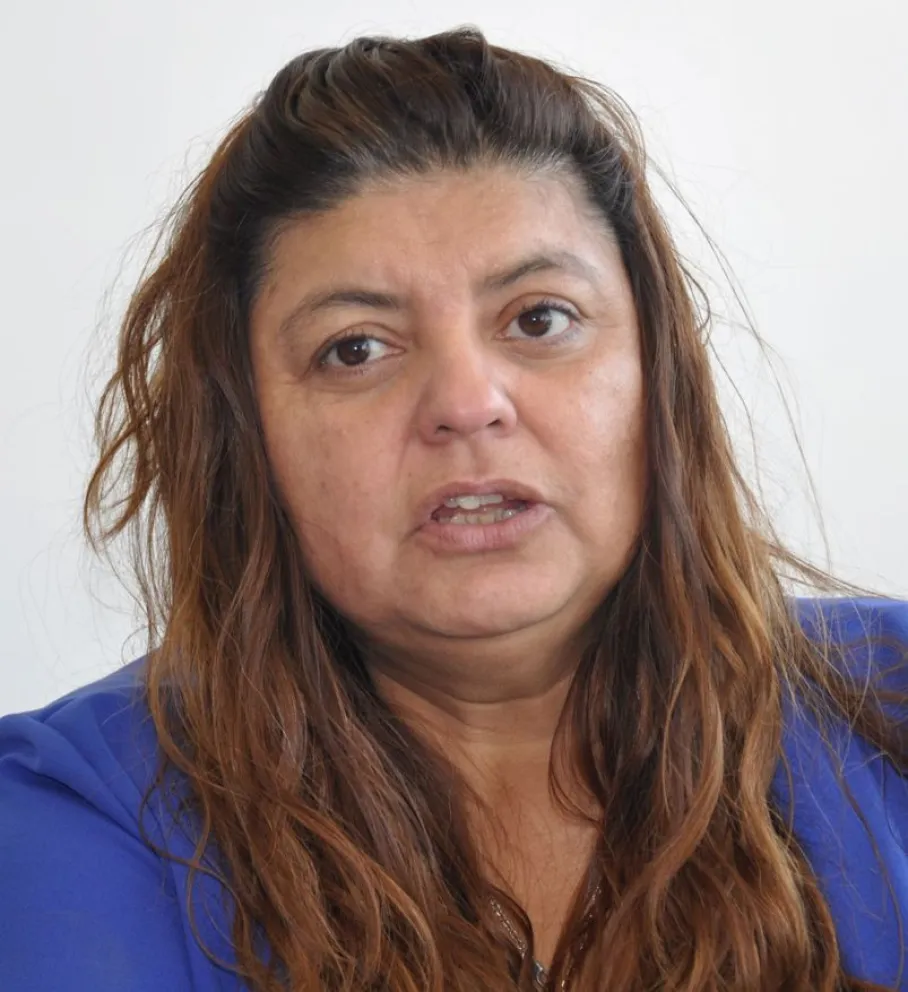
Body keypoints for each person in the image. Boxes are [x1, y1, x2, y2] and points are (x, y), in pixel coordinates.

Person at [0, 25, 906, 992]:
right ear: (244, 433)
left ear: (660, 374)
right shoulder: (69, 819)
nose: (469, 403)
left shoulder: (890, 709)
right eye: (356, 348)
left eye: (539, 319)